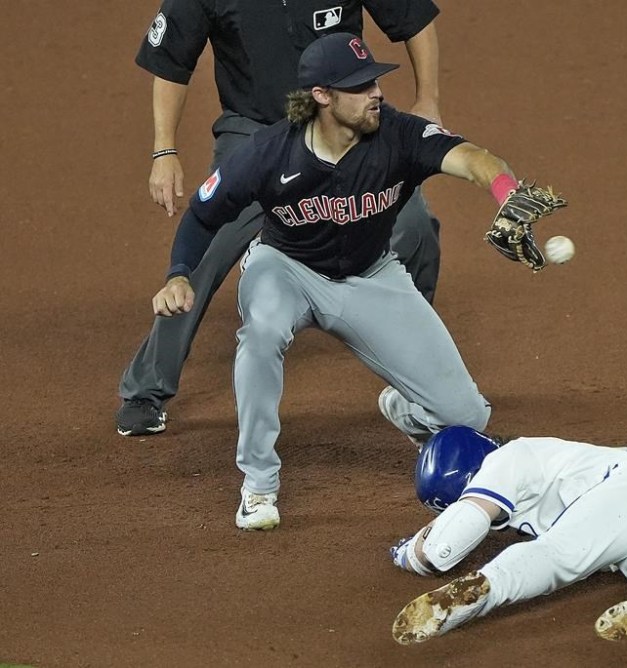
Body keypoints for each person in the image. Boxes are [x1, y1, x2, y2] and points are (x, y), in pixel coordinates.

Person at [149, 34, 567, 530]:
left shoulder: (398, 134)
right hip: (285, 268)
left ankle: (403, 408)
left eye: (374, 81)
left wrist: (505, 191)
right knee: (260, 335)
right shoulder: (268, 153)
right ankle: (258, 486)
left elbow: (473, 157)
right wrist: (178, 274)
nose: (376, 93)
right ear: (322, 96)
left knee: (467, 418)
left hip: (372, 276)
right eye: (359, 86)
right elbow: (201, 215)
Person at [117, 0, 446, 437]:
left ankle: (417, 368)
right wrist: (164, 149)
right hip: (256, 134)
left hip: (342, 129)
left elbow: (413, 19)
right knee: (206, 248)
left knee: (416, 225)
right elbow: (171, 61)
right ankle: (146, 389)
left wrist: (427, 100)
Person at [389, 426, 627, 644]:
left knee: (557, 554)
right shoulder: (547, 460)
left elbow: (443, 548)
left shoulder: (509, 457)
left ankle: (483, 591)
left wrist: (407, 554)